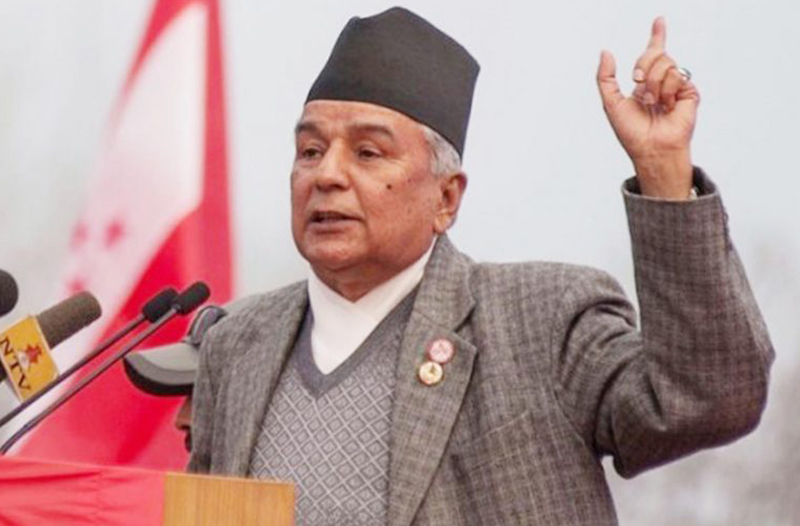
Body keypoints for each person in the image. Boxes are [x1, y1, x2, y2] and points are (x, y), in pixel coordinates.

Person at [187, 7, 773, 525]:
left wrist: (664, 173)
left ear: (446, 199)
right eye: (310, 151)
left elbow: (704, 401)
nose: (327, 175)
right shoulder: (238, 345)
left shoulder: (542, 321)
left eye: (367, 152)